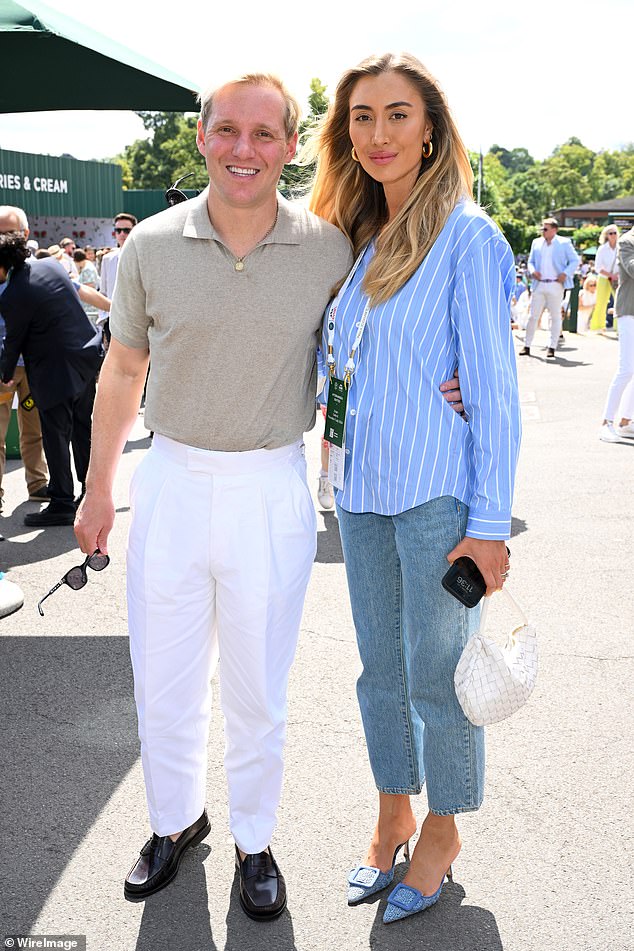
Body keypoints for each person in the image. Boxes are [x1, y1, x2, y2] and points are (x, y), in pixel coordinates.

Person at [309, 52, 521, 925]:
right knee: (379, 672)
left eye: (398, 115)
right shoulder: (359, 243)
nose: (379, 134)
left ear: (431, 127)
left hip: (437, 494)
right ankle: (392, 806)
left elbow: (497, 396)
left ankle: (441, 826)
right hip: (360, 490)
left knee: (438, 674)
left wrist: (490, 525)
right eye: (361, 117)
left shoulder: (469, 236)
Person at [0, 210, 105, 527]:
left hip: (54, 370)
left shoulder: (15, 292)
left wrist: (4, 377)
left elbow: (13, 342)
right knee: (82, 428)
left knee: (55, 434)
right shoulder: (49, 265)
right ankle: (88, 494)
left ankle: (61, 501)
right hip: (86, 357)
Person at [520, 217, 579, 358]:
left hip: (555, 284)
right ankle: (527, 345)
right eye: (542, 228)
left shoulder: (564, 243)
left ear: (554, 229)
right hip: (539, 284)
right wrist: (533, 270)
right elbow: (531, 261)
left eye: (545, 229)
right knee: (533, 316)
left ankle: (552, 346)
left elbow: (575, 260)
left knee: (555, 316)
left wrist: (565, 273)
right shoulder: (536, 242)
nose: (542, 231)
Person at [599, 224, 634, 442]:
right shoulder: (626, 241)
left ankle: (626, 421)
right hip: (628, 311)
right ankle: (606, 423)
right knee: (626, 369)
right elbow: (632, 268)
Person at [98, 213, 137, 339]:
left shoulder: (144, 257)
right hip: (112, 320)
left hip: (137, 321)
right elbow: (103, 291)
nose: (122, 234)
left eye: (126, 230)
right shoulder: (107, 259)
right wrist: (103, 319)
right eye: (118, 230)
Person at [590, 225, 619, 332]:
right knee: (601, 302)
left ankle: (618, 327)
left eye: (615, 233)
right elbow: (598, 267)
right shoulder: (602, 249)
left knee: (619, 303)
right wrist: (610, 275)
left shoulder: (621, 247)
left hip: (618, 278)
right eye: (610, 233)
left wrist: (617, 275)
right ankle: (598, 326)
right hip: (603, 278)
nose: (613, 235)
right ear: (606, 235)